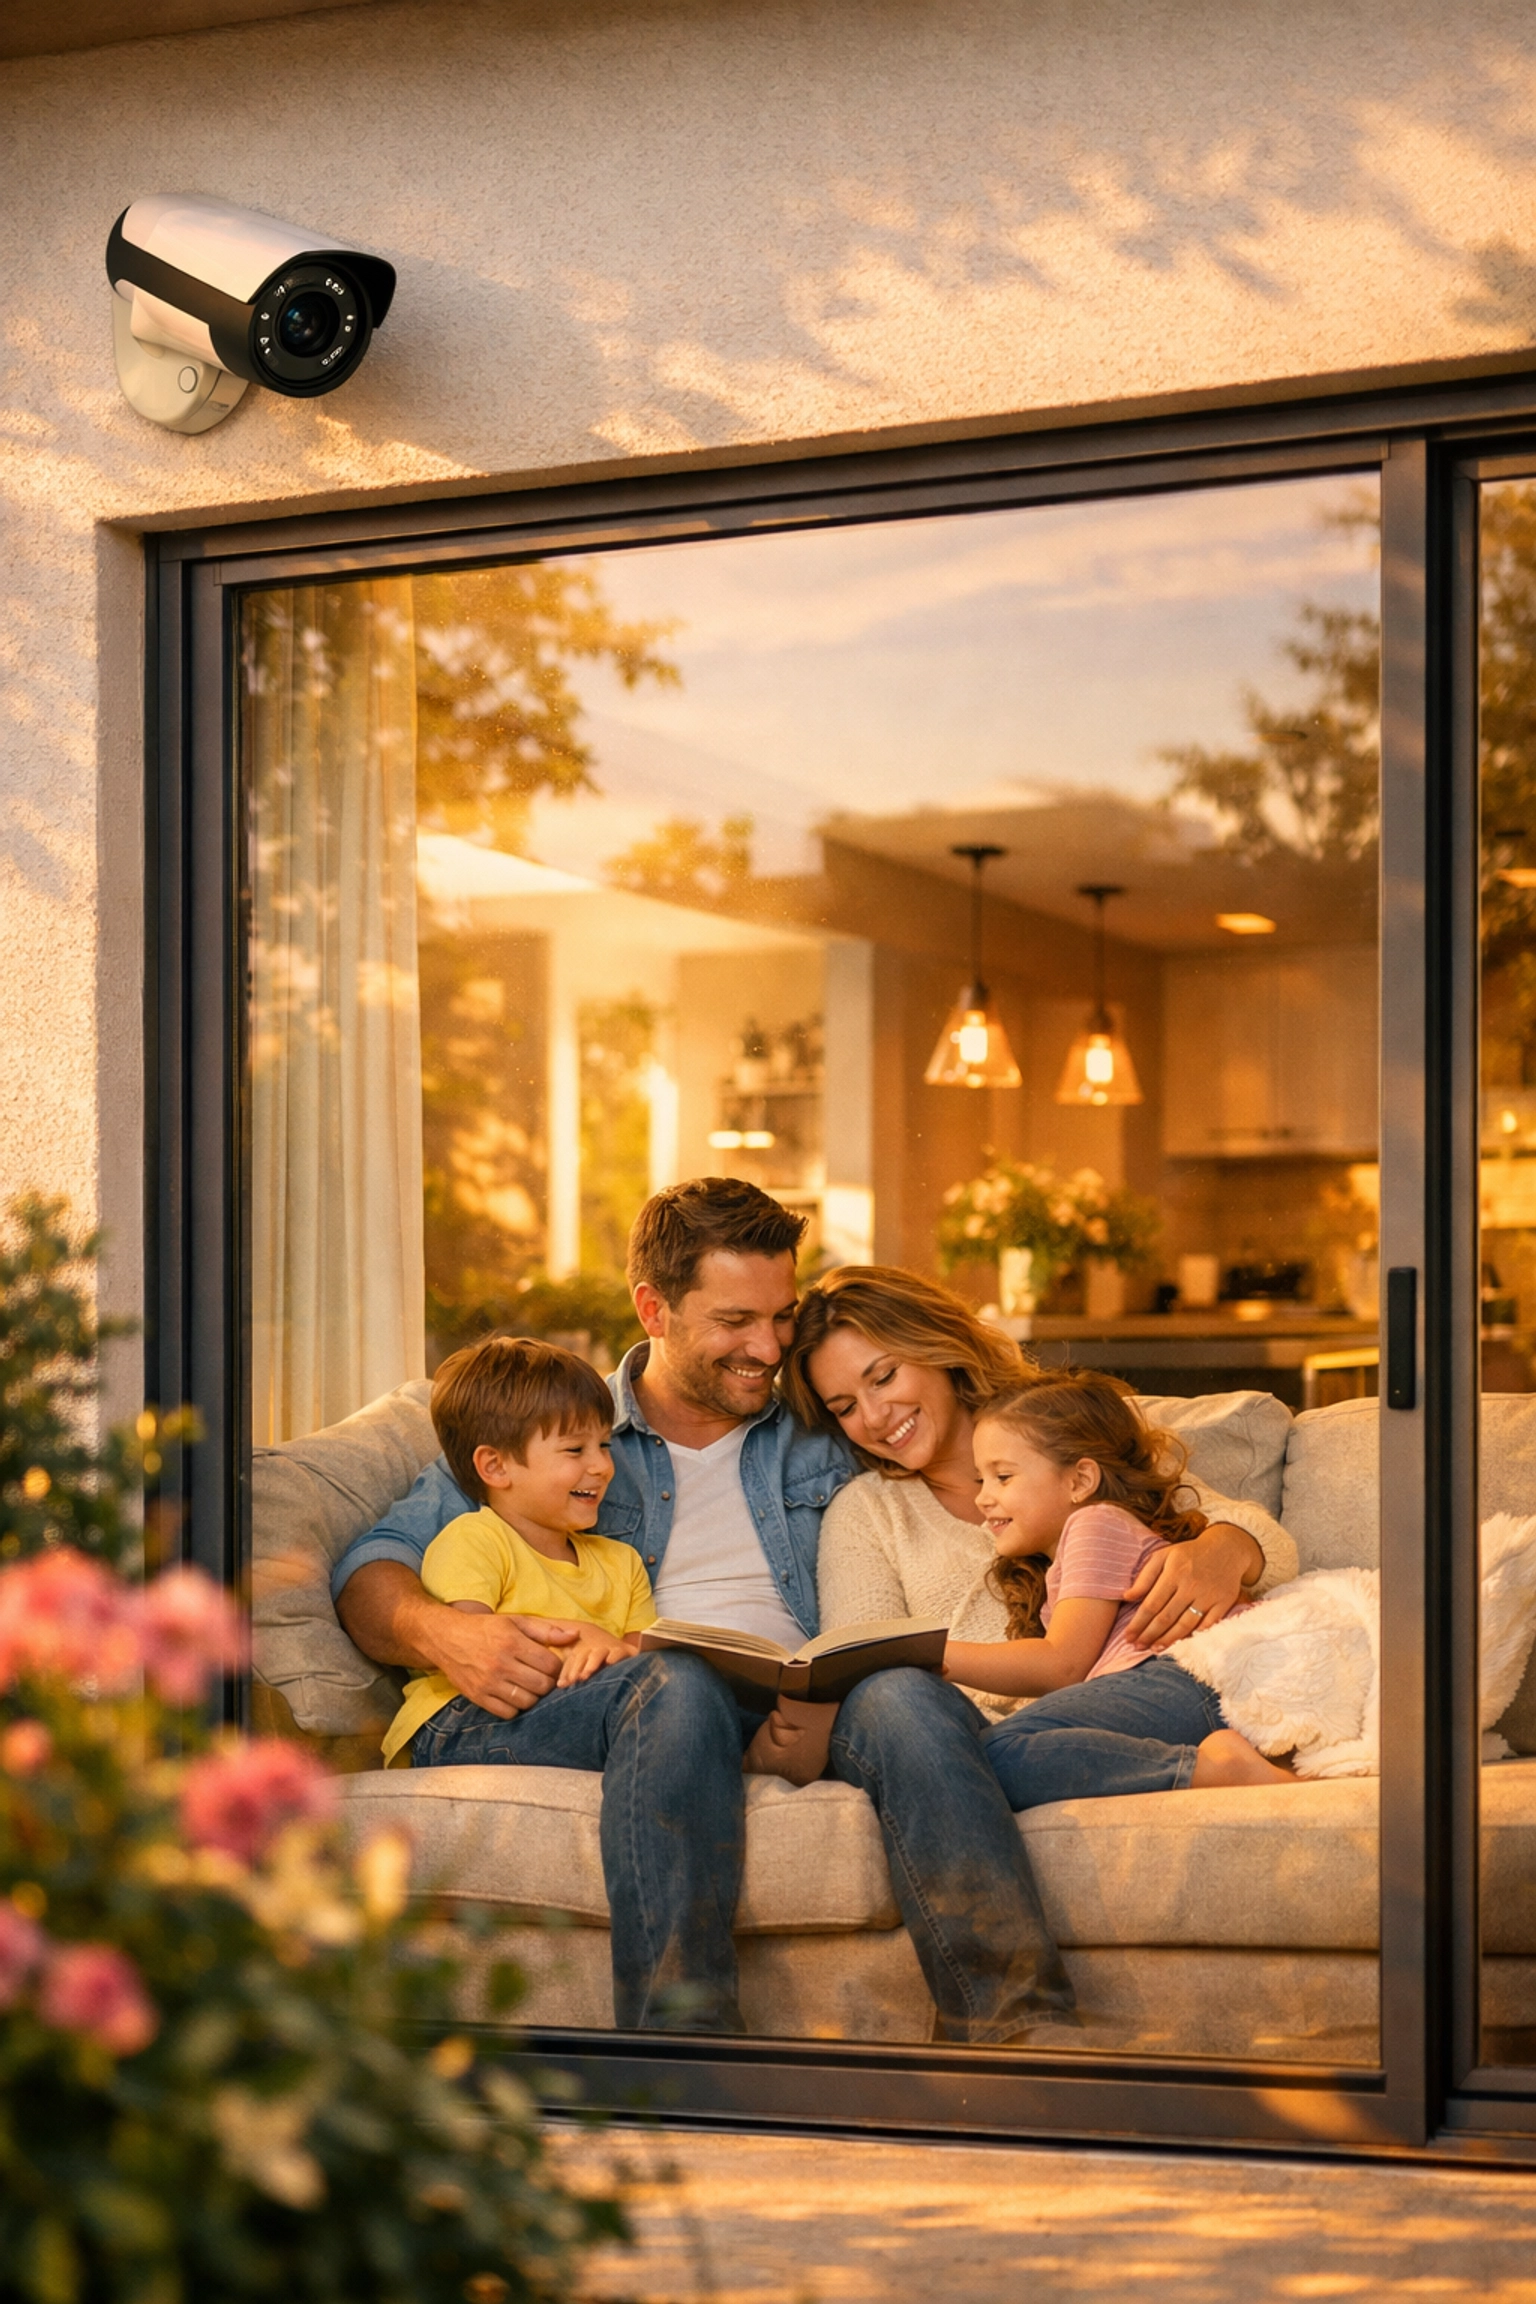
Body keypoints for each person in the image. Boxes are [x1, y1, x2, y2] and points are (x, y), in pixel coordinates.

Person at [333, 1177, 857, 2034]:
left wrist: (1157, 1534)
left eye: (782, 1315)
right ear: (653, 1309)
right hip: (638, 1699)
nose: (768, 1347)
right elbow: (370, 1568)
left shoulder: (823, 1415)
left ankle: (1010, 2054)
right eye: (734, 1322)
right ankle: (683, 2044)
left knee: (908, 1701)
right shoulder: (556, 1421)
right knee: (677, 1682)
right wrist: (444, 1632)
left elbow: (983, 1455)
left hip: (790, 1694)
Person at [780, 1265, 1299, 2038]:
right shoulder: (869, 1512)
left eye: (884, 1376)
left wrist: (1227, 1546)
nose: (876, 1415)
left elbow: (1263, 1540)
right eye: (845, 1406)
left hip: (1135, 1697)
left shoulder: (1058, 1443)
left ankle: (1011, 2033)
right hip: (972, 1732)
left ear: (941, 1349)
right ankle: (1017, 2023)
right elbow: (868, 1661)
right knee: (892, 1692)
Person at [945, 1372, 1299, 1807]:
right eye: (980, 1479)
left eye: (1002, 1477)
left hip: (1191, 1677)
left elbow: (1062, 1665)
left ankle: (1218, 1770)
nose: (983, 1498)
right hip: (1182, 1686)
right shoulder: (1066, 1559)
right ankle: (1224, 1764)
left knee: (987, 1756)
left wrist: (931, 1655)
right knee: (982, 1761)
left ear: (1079, 1481)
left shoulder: (1095, 1524)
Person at [381, 1336, 656, 1769]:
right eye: (575, 1449)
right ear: (494, 1466)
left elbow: (643, 1654)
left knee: (678, 1689)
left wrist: (621, 1655)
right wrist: (586, 1643)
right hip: (463, 1720)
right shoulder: (475, 1539)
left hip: (571, 1711)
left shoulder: (622, 1563)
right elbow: (482, 1650)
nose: (603, 1466)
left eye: (604, 1445)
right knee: (654, 1696)